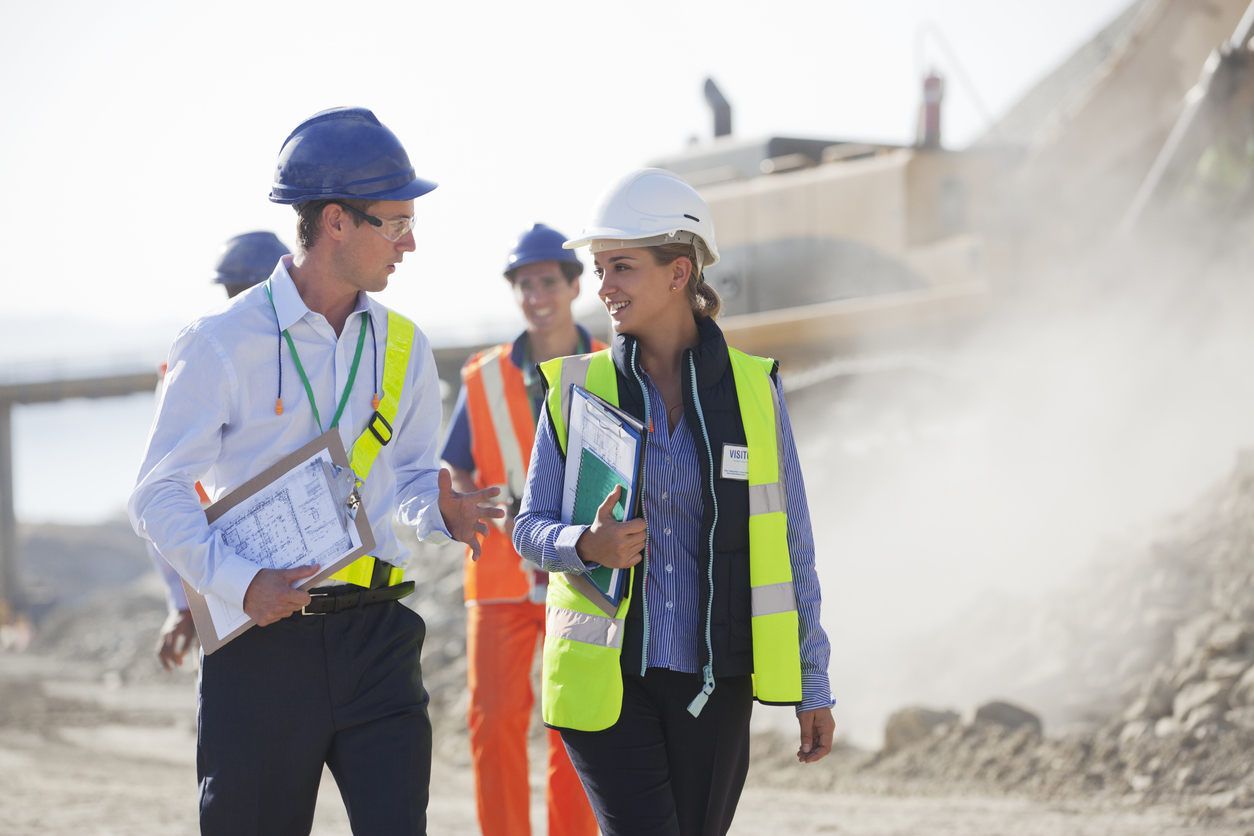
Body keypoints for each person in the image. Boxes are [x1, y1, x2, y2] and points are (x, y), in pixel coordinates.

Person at [128, 106, 501, 836]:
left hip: (378, 637)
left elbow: (415, 478)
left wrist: (441, 510)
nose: (411, 243)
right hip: (261, 649)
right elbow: (157, 495)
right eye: (395, 223)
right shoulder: (218, 343)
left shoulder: (405, 345)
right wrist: (240, 585)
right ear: (336, 221)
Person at [513, 168, 836, 836]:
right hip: (606, 683)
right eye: (599, 269)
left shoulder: (753, 392)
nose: (603, 288)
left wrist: (813, 681)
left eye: (621, 267)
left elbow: (792, 545)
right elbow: (529, 526)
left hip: (712, 684)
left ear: (679, 272)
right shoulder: (580, 389)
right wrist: (585, 546)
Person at [440, 224, 602, 836]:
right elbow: (455, 462)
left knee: (576, 724)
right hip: (503, 574)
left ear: (573, 286)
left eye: (547, 283)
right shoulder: (481, 378)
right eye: (524, 284)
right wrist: (464, 502)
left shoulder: (611, 365)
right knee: (495, 720)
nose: (536, 295)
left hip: (586, 568)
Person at [149, 231, 291, 672]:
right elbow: (165, 494)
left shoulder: (308, 361)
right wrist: (184, 600)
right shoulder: (195, 368)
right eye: (237, 292)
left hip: (289, 586)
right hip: (228, 582)